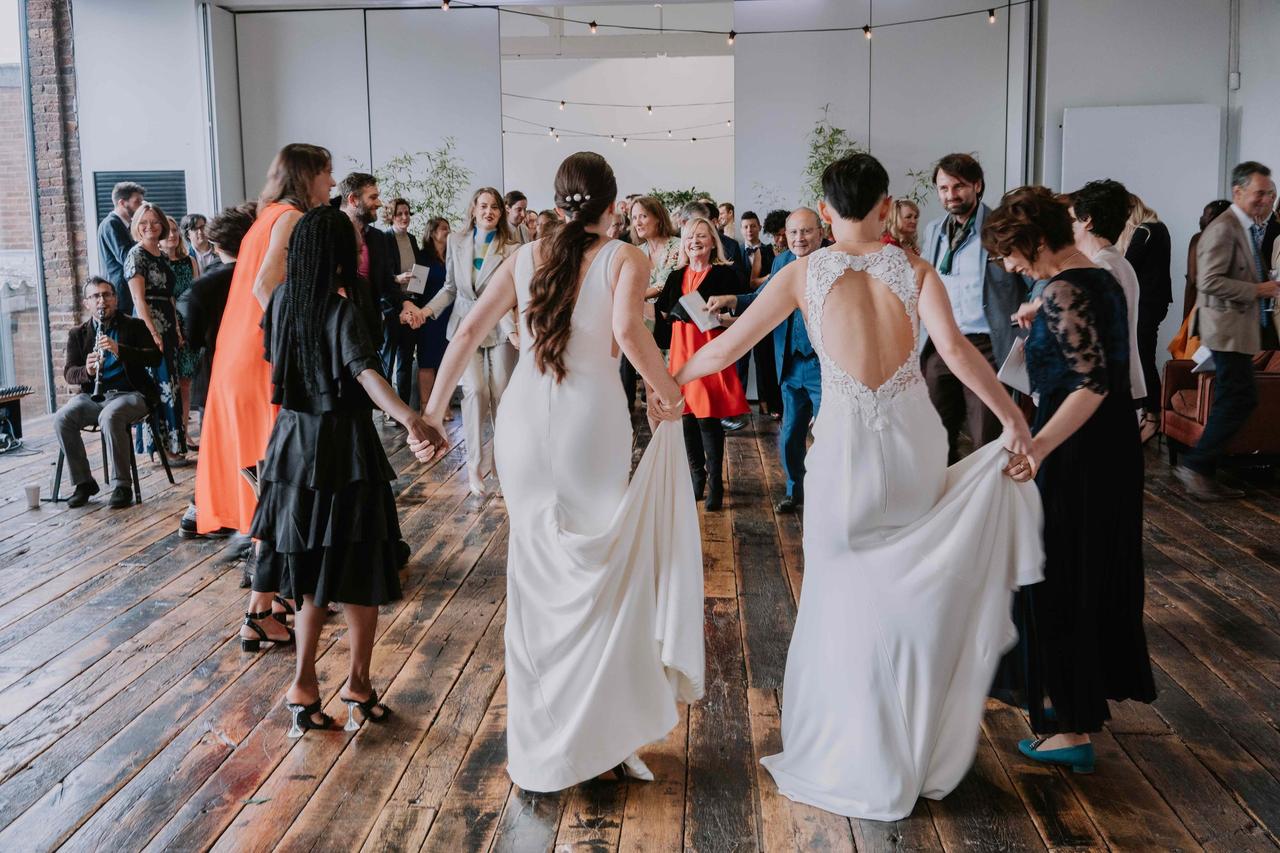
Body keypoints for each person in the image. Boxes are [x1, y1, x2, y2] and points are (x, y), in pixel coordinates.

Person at [676, 153, 1042, 820]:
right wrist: (1015, 417)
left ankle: (856, 751)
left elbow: (724, 349)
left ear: (823, 212)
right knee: (909, 600)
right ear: (884, 207)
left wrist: (668, 383)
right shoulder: (916, 268)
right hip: (912, 444)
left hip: (845, 451)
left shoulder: (800, 275)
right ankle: (911, 744)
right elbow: (957, 353)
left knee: (841, 601)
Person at [410, 151, 704, 791]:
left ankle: (548, 741)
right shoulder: (625, 258)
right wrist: (668, 394)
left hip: (524, 422)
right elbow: (628, 331)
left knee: (538, 576)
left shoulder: (523, 258)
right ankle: (602, 736)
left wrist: (431, 416)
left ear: (557, 199)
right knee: (602, 573)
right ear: (612, 203)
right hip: (589, 421)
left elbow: (464, 337)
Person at [984, 185, 1153, 774]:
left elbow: (1091, 385)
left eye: (1010, 253)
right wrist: (1039, 312)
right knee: (1081, 571)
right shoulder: (1099, 276)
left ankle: (1072, 728)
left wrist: (1037, 446)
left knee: (1058, 575)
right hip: (1107, 450)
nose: (1008, 266)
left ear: (1031, 242)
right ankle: (1072, 711)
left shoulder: (1059, 288)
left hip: (1077, 449)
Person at [249, 205, 430, 735]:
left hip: (291, 449)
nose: (359, 249)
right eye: (352, 242)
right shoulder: (343, 311)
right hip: (343, 450)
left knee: (308, 579)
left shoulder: (282, 302)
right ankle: (357, 683)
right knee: (360, 575)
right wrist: (411, 418)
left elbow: (276, 359)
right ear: (335, 254)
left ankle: (303, 686)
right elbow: (367, 373)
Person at [193, 142, 334, 648]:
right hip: (262, 364)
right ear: (307, 175)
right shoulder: (292, 219)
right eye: (328, 173)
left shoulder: (266, 216)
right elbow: (266, 286)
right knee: (280, 485)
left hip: (240, 361)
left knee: (272, 485)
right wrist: (306, 337)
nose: (332, 183)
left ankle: (273, 602)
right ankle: (261, 609)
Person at [1174, 161, 1280, 501]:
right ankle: (1197, 464)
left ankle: (1200, 465)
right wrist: (1259, 290)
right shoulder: (1224, 228)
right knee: (1239, 397)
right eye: (1260, 194)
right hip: (1225, 330)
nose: (1266, 201)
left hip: (1236, 330)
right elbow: (1209, 282)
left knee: (1233, 398)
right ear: (1238, 192)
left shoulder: (1245, 227)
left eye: (1271, 194)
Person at [708, 208, 825, 513]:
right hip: (790, 363)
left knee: (830, 434)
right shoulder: (783, 261)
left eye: (807, 231)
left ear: (821, 232)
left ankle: (830, 493)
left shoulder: (833, 262)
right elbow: (763, 298)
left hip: (824, 365)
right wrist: (732, 300)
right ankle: (793, 491)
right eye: (794, 232)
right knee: (789, 436)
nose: (799, 238)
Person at [921, 153, 1029, 463]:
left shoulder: (1001, 227)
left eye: (958, 187)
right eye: (943, 189)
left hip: (988, 345)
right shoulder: (933, 231)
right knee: (936, 433)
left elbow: (1030, 275)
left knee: (987, 435)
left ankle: (986, 506)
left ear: (977, 186)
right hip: (942, 343)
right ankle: (944, 504)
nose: (950, 195)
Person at [421, 187, 521, 497]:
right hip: (464, 328)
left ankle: (504, 470)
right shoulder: (456, 241)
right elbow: (450, 288)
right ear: (474, 210)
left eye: (494, 207)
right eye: (483, 206)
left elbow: (514, 294)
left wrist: (518, 330)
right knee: (476, 391)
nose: (489, 211)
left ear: (501, 213)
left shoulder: (514, 247)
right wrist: (426, 311)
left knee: (501, 397)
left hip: (501, 330)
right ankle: (475, 467)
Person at [655, 217, 749, 511]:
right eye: (689, 237)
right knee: (686, 417)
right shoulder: (675, 276)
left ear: (713, 242)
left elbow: (744, 317)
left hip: (709, 353)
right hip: (682, 352)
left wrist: (720, 318)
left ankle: (715, 483)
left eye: (701, 236)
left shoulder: (726, 275)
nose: (694, 241)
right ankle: (696, 477)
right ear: (683, 243)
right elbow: (662, 317)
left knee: (708, 417)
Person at [55, 277, 161, 508]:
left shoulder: (134, 326)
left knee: (111, 415)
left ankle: (122, 485)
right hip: (94, 397)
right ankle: (84, 483)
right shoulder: (78, 334)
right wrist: (88, 371)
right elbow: (69, 373)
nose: (102, 301)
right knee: (63, 417)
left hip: (131, 394)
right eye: (95, 296)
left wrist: (119, 349)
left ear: (115, 298)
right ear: (87, 304)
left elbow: (155, 357)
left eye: (106, 295)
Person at [1064, 180, 1148, 409]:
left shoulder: (1102, 268)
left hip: (1108, 388)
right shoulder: (1118, 263)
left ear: (1087, 220)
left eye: (1072, 220)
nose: (1068, 227)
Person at [123, 202, 188, 464]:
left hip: (168, 326)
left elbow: (169, 297)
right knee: (160, 387)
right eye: (144, 222)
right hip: (149, 328)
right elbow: (138, 300)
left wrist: (177, 328)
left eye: (155, 222)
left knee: (171, 385)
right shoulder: (136, 255)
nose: (150, 227)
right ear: (137, 226)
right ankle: (162, 449)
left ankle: (172, 445)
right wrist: (153, 333)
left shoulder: (161, 255)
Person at [334, 173, 407, 378]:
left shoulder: (378, 238)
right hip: (336, 333)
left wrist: (405, 304)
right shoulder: (327, 231)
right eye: (372, 197)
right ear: (353, 200)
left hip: (368, 332)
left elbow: (386, 282)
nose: (379, 203)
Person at [1117, 195, 1172, 441]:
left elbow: (1126, 266)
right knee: (1144, 357)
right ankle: (1147, 414)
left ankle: (1151, 417)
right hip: (1154, 303)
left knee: (1143, 358)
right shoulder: (1159, 228)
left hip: (1146, 304)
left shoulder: (1145, 231)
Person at [398, 216, 453, 415]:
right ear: (432, 233)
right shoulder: (422, 258)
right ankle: (425, 405)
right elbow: (415, 290)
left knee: (446, 362)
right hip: (427, 317)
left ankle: (443, 404)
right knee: (427, 362)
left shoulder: (452, 256)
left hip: (449, 315)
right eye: (444, 228)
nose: (448, 232)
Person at [163, 215, 202, 444]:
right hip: (168, 325)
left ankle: (185, 431)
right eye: (167, 231)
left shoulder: (190, 262)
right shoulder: (159, 264)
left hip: (188, 324)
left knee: (186, 382)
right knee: (171, 382)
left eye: (175, 230)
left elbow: (197, 293)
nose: (172, 235)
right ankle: (171, 433)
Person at [384, 197, 426, 404]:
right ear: (391, 216)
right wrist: (397, 278)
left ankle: (403, 406)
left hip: (411, 302)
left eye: (407, 213)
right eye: (399, 213)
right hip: (392, 306)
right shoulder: (384, 239)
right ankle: (387, 407)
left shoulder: (412, 239)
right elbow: (381, 276)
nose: (404, 217)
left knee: (406, 358)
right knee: (388, 358)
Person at [739, 210, 781, 418]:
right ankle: (738, 406)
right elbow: (748, 282)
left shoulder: (768, 251)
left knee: (766, 357)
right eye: (745, 226)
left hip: (768, 308)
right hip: (741, 308)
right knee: (741, 360)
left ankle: (770, 404)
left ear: (759, 228)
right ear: (741, 229)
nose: (749, 230)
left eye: (753, 226)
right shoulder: (734, 250)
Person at [97, 181, 145, 316]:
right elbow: (126, 257)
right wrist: (146, 241)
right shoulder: (111, 224)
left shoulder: (123, 225)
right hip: (120, 293)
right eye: (137, 202)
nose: (141, 207)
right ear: (122, 203)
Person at [1183, 200, 1232, 321]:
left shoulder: (1199, 239)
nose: (1201, 218)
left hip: (1202, 309)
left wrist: (1185, 317)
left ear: (1212, 217)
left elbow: (1192, 280)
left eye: (1204, 214)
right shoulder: (1236, 239)